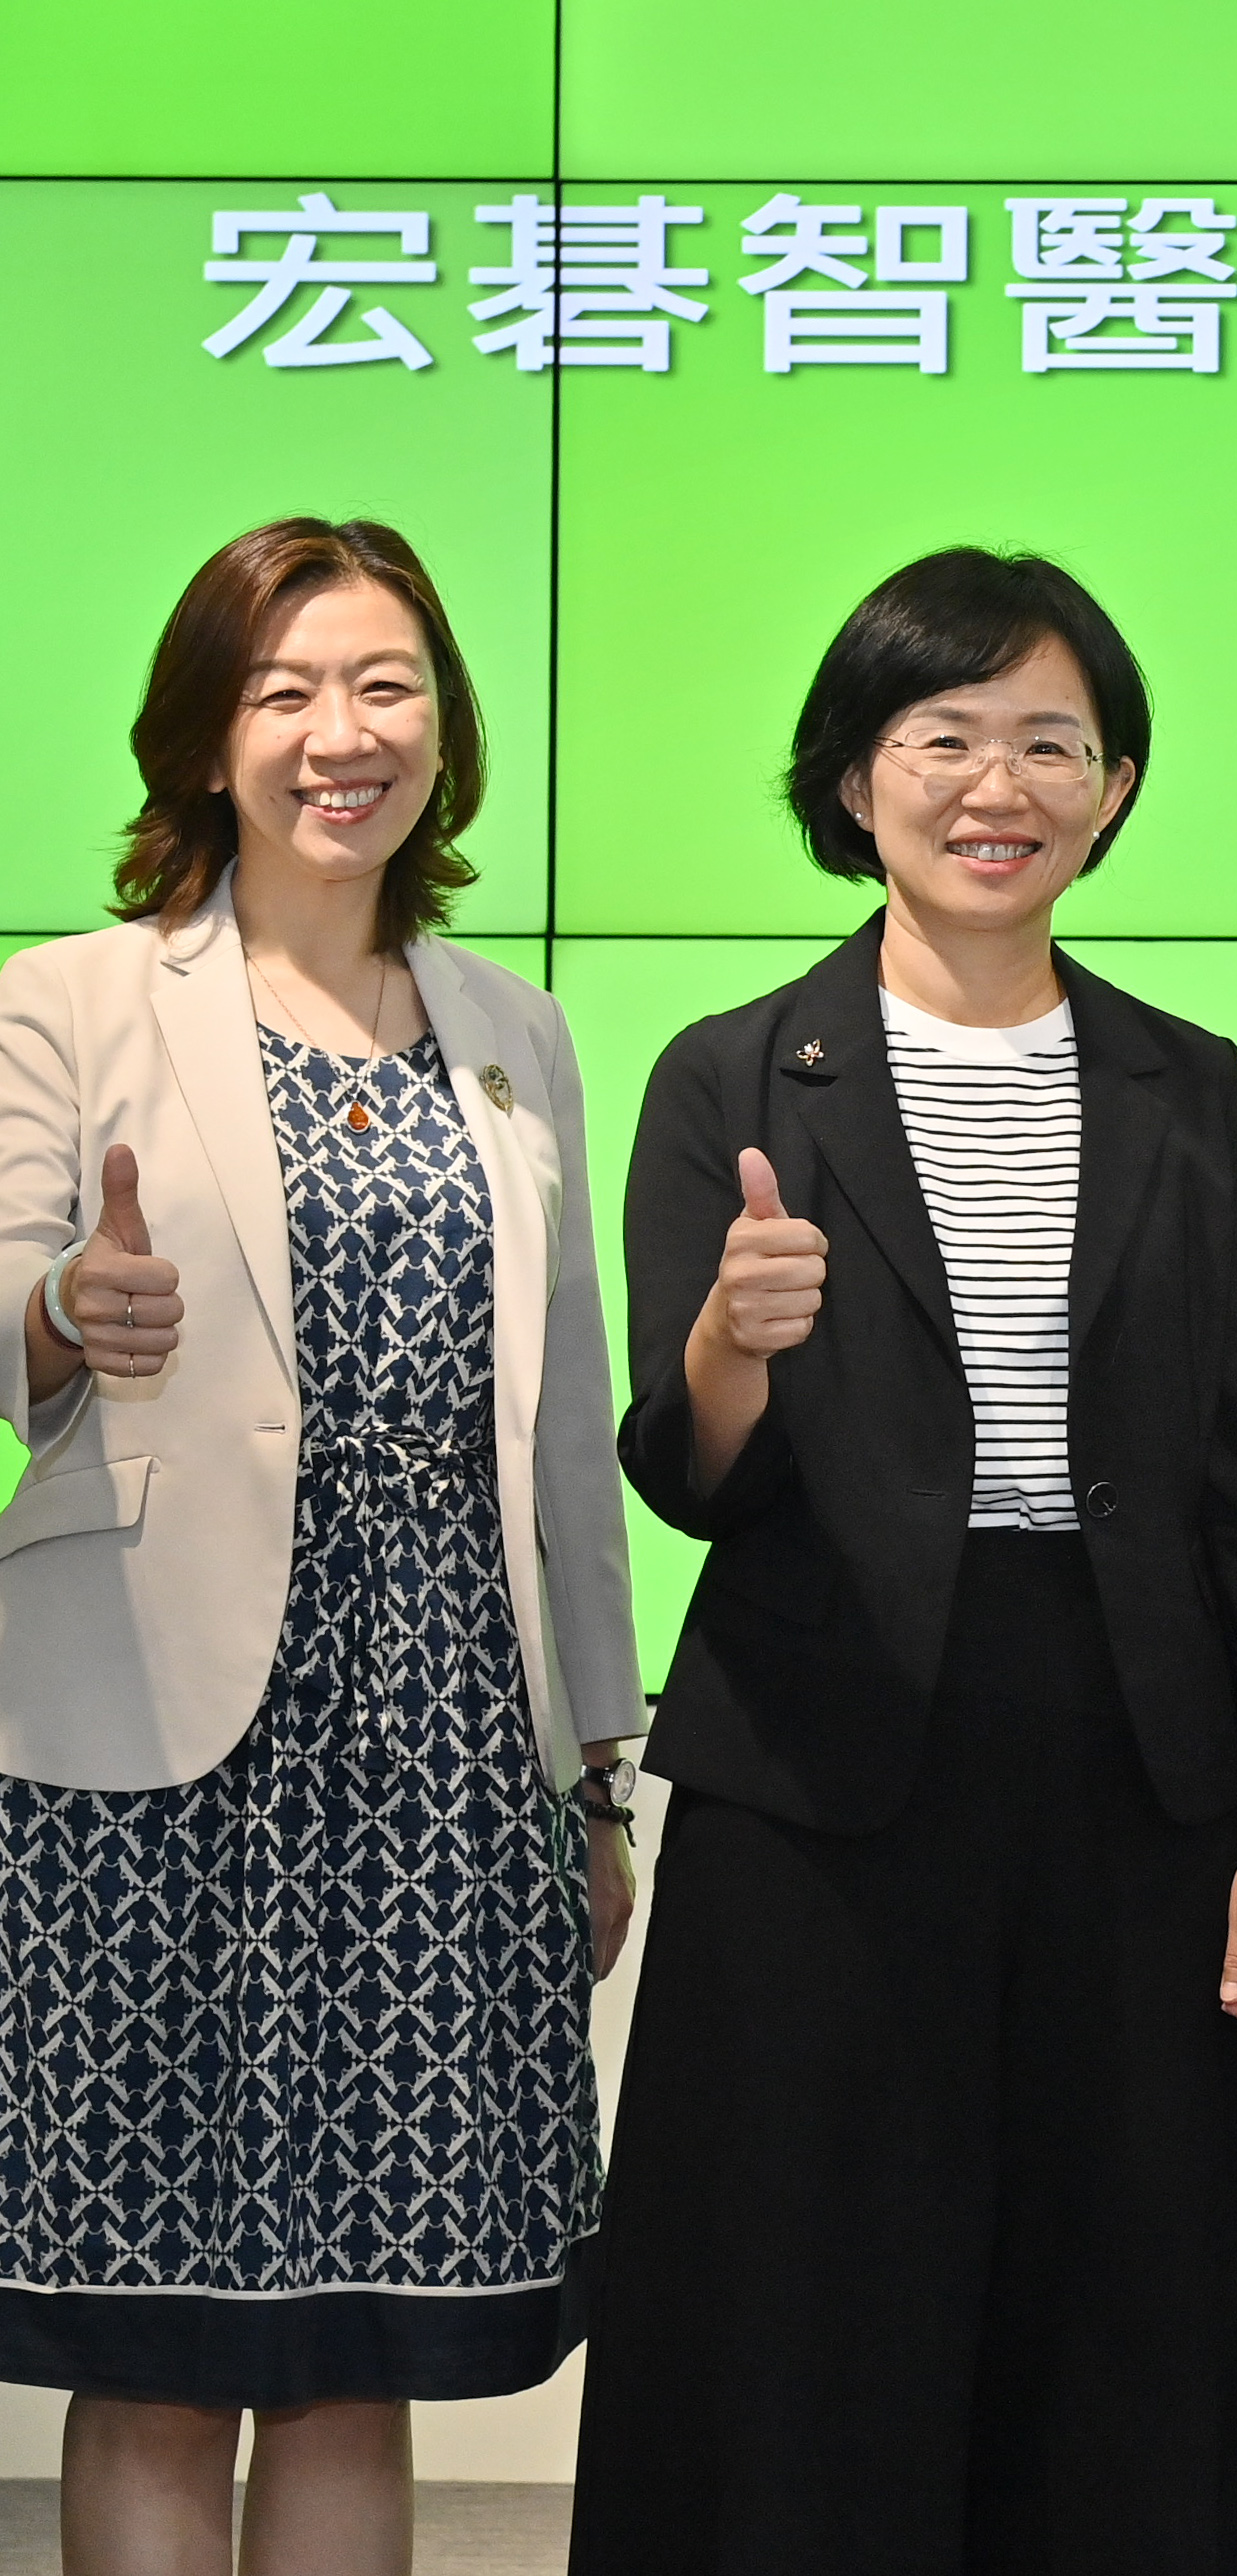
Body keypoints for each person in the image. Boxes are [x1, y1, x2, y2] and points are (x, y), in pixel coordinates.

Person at [572, 548, 1237, 2574]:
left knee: (1134, 2322)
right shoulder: (733, 1071)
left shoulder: (1191, 1082)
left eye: (1050, 742)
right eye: (943, 737)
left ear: (1113, 789)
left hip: (1136, 1765)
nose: (996, 785)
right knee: (806, 2313)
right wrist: (730, 1344)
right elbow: (685, 1474)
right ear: (855, 779)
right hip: (817, 1780)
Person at [0, 517, 641, 2571]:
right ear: (207, 738)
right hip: (150, 1739)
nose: (339, 733)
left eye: (385, 687)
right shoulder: (72, 1000)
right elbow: (11, 1291)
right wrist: (64, 1313)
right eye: (284, 692)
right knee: (159, 2345)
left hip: (450, 1742)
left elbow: (559, 1435)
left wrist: (598, 1773)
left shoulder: (514, 1029)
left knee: (370, 2345)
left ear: (443, 730)